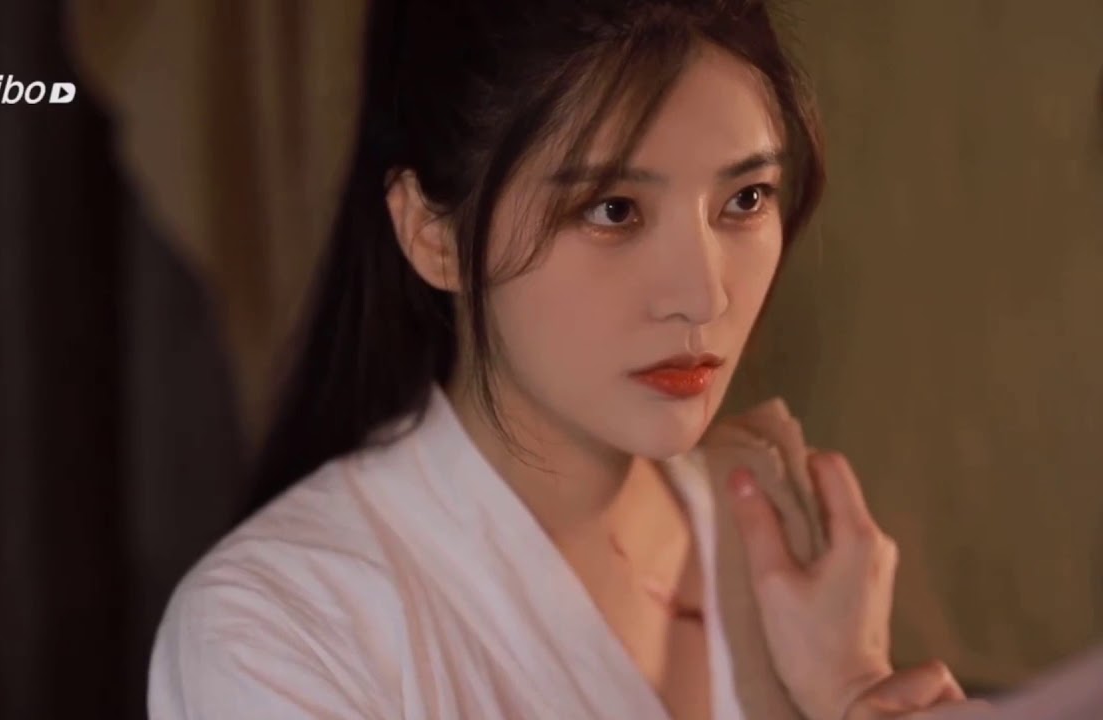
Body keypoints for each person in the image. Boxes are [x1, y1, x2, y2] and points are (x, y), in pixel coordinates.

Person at [148, 1, 974, 718]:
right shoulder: (280, 628)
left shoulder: (794, 547)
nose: (702, 297)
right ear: (433, 233)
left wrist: (850, 685)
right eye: (613, 210)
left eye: (745, 199)